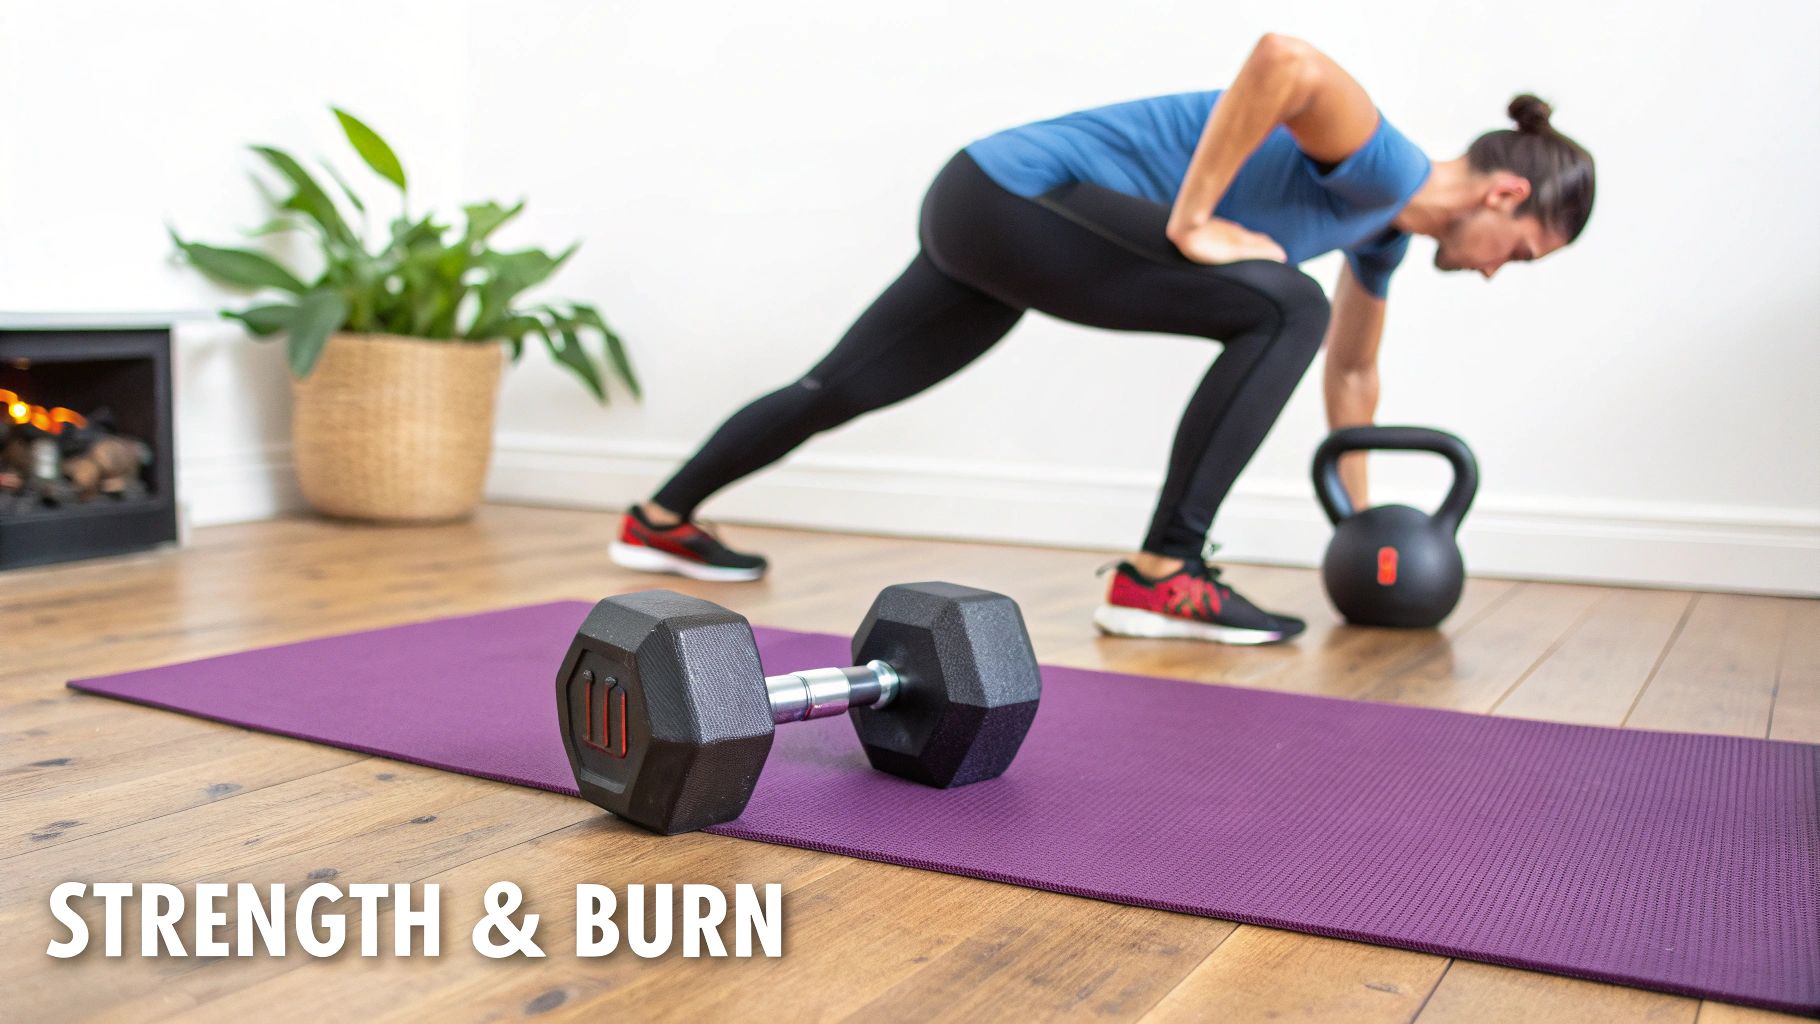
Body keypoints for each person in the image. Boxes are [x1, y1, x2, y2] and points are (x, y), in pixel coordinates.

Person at [609, 33, 1595, 645]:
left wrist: (1358, 518)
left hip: (983, 202)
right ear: (1506, 193)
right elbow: (1282, 60)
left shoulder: (1378, 230)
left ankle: (659, 516)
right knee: (1282, 303)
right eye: (1522, 249)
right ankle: (1163, 573)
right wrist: (1193, 220)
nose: (1499, 268)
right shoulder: (1385, 168)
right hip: (1021, 200)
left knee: (840, 386)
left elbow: (1351, 367)